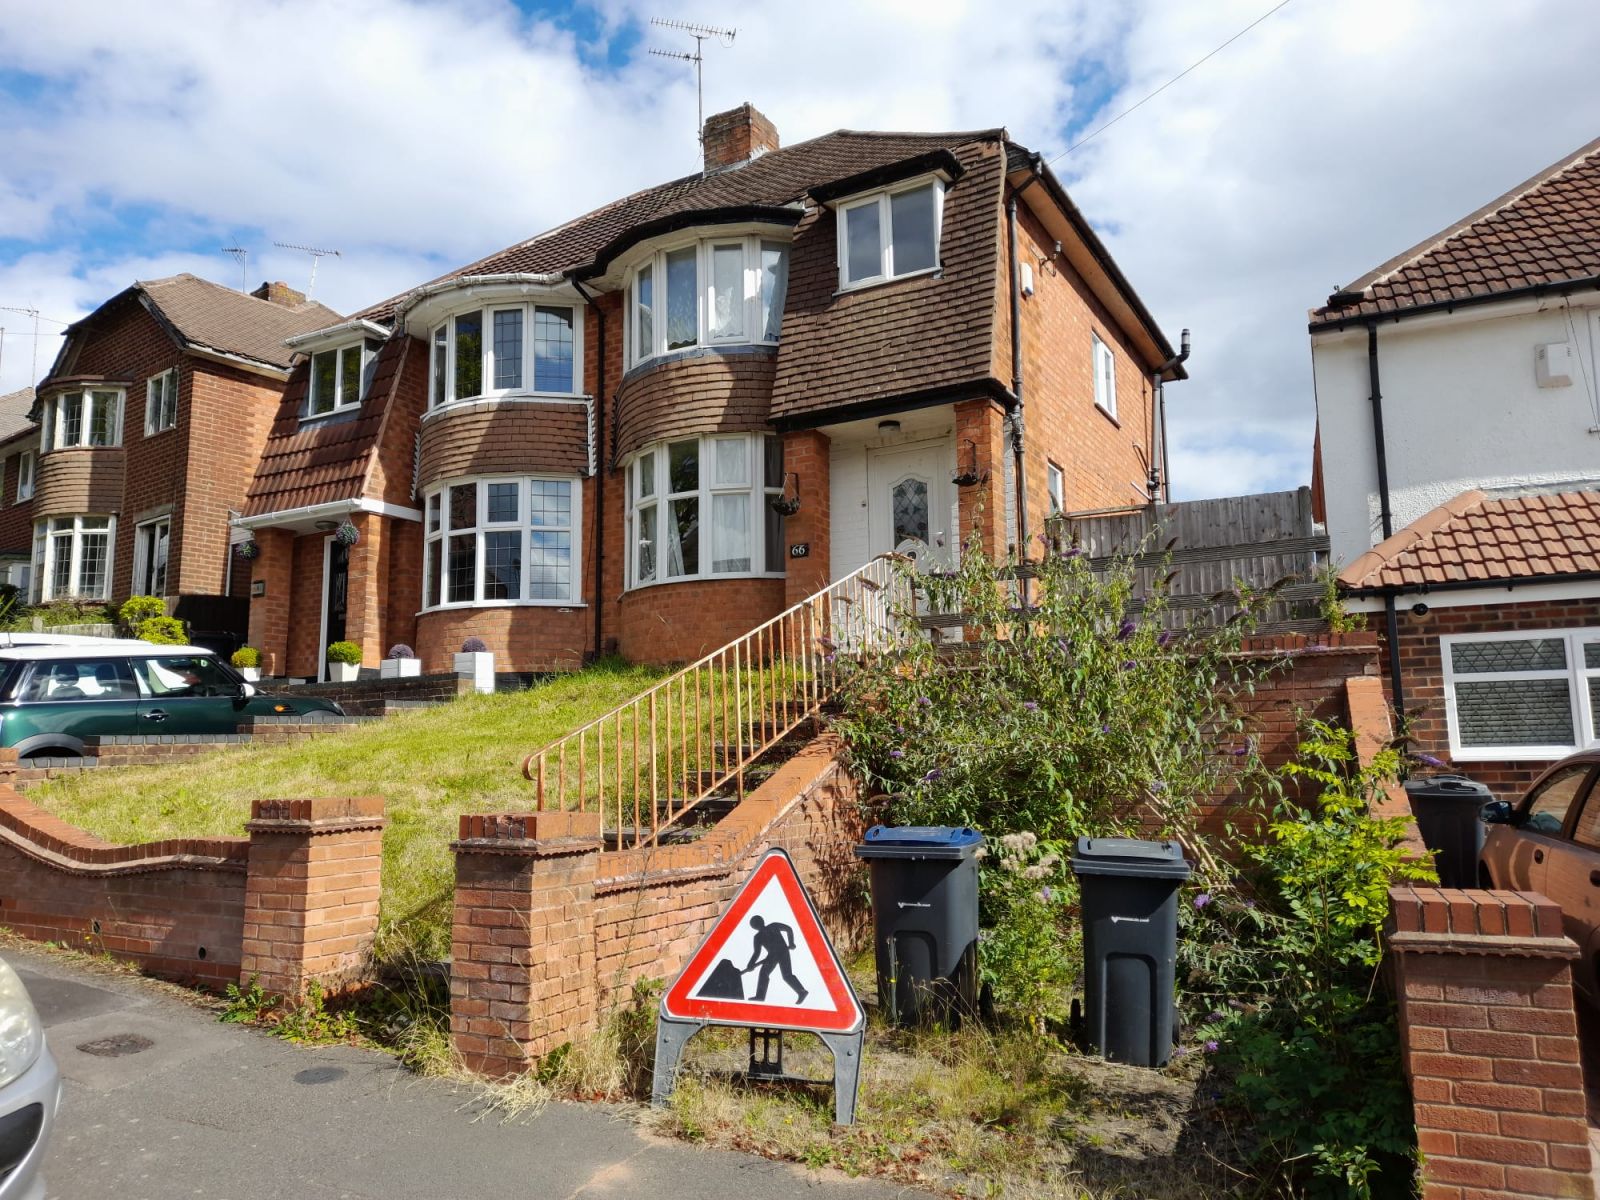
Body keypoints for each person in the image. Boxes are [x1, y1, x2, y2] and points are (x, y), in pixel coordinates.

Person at [742, 915, 807, 1004]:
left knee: (784, 975)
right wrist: (750, 964)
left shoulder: (772, 927)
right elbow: (757, 952)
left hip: (781, 952)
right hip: (774, 955)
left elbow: (788, 929)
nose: (757, 925)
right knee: (770, 974)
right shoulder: (759, 936)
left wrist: (791, 942)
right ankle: (760, 996)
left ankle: (802, 991)